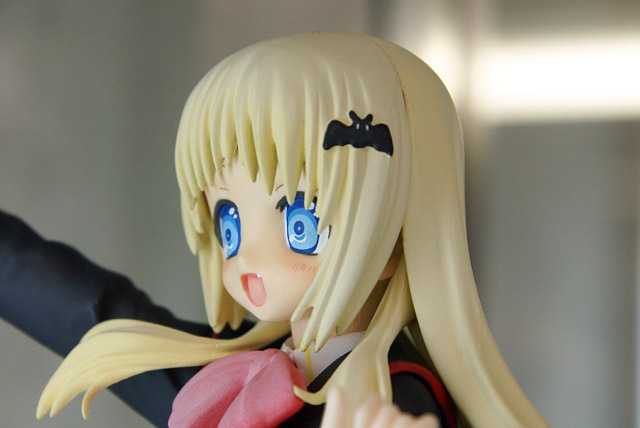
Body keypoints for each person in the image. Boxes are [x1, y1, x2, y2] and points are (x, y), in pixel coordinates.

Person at [4, 33, 549, 427]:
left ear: (393, 238)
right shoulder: (224, 374)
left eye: (300, 223)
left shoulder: (396, 395)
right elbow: (93, 308)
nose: (248, 259)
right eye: (230, 222)